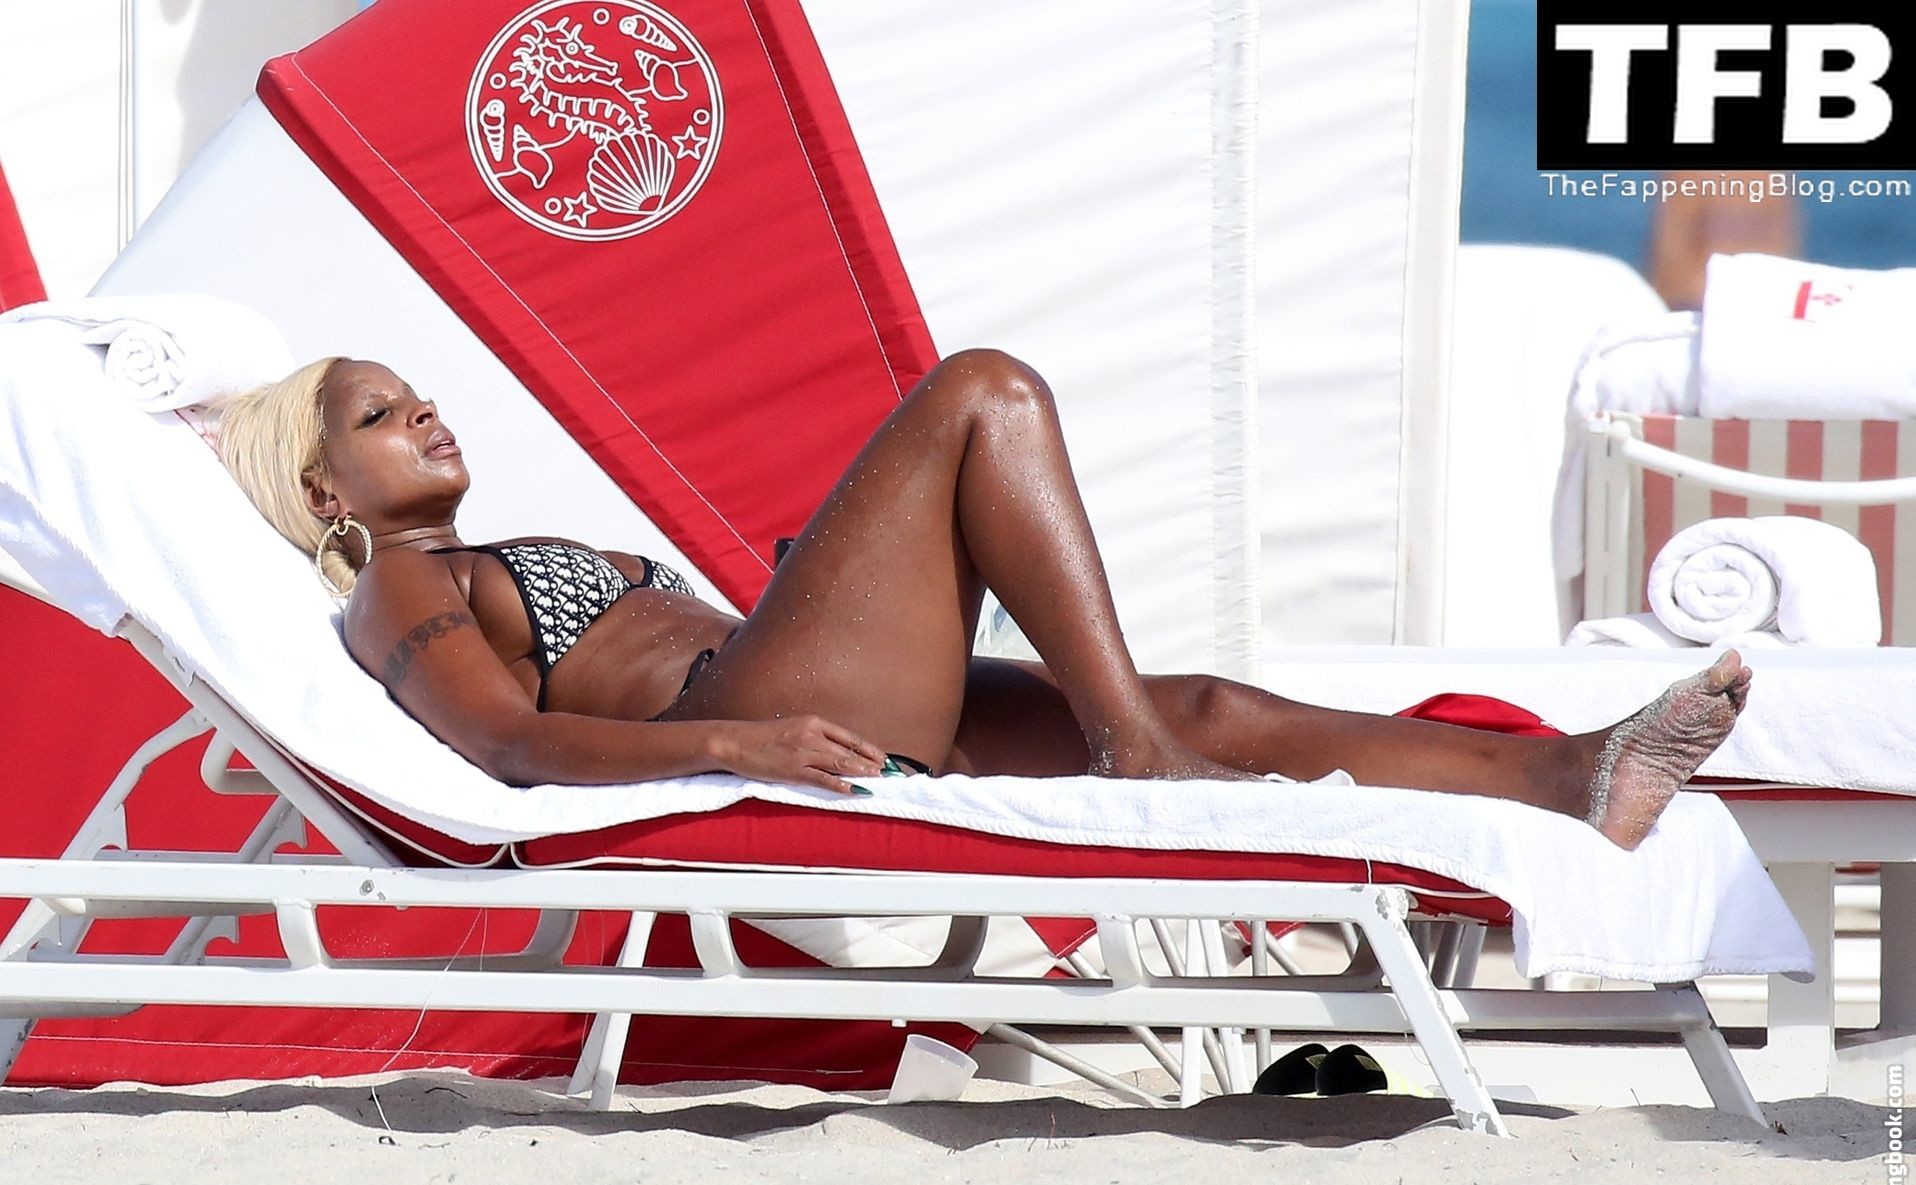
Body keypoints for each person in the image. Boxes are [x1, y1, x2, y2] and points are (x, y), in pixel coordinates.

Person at [217, 350, 1749, 849]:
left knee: (1205, 704)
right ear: (327, 492)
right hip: (744, 723)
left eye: (415, 395)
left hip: (779, 693)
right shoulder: (401, 587)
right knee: (982, 396)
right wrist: (730, 748)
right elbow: (508, 748)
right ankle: (1135, 754)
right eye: (377, 418)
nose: (422, 414)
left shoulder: (491, 548)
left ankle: (1571, 777)